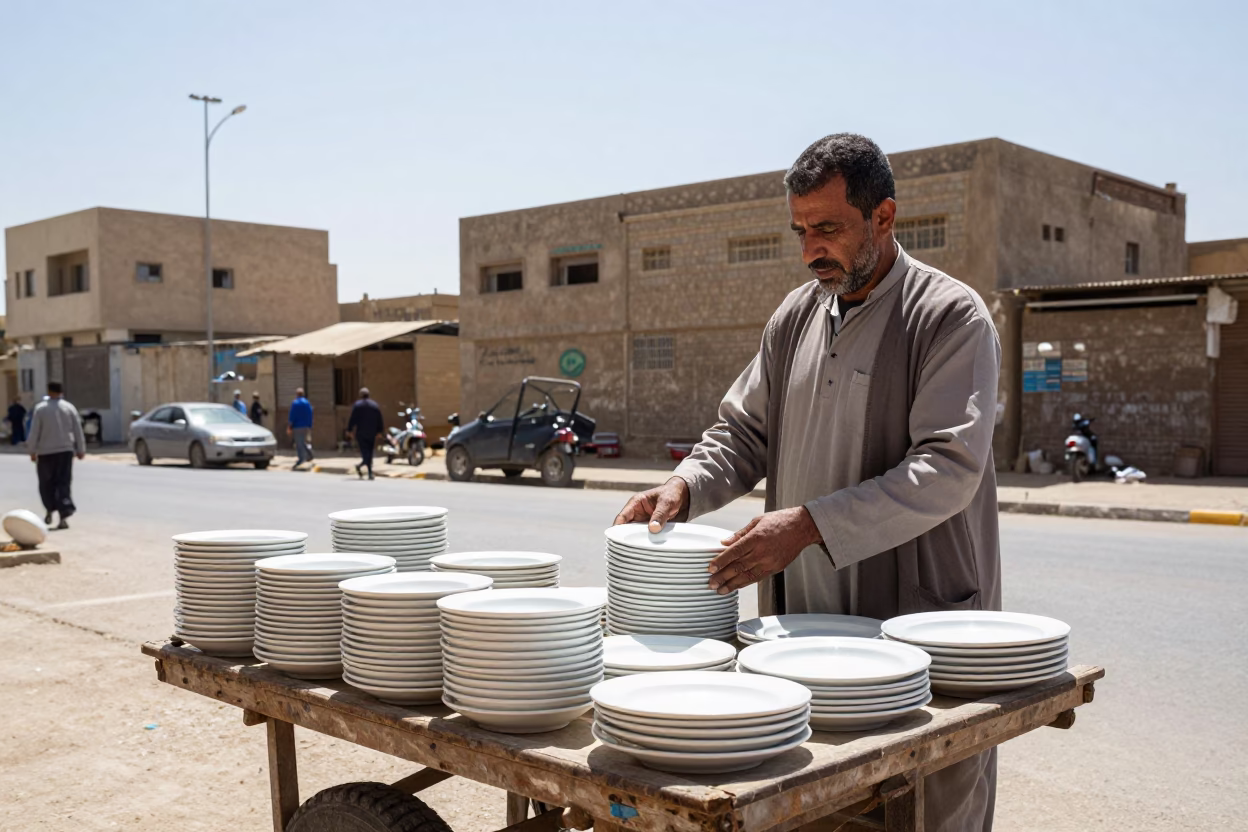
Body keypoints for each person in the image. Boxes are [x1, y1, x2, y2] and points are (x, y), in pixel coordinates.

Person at [614, 134, 1001, 832]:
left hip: (906, 627)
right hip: (800, 632)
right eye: (799, 231)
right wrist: (687, 485)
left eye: (828, 229)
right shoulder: (795, 317)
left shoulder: (948, 317)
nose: (809, 250)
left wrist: (810, 525)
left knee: (920, 806)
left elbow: (947, 469)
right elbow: (743, 433)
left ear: (883, 218)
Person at [26, 381, 86, 529]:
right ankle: (63, 517)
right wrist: (80, 449)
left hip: (46, 453)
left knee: (47, 484)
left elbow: (34, 432)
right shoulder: (69, 408)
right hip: (65, 452)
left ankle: (49, 510)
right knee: (63, 483)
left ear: (49, 391)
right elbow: (77, 429)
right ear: (61, 392)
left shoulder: (41, 409)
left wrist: (32, 451)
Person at [347, 387, 384, 480]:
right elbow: (379, 419)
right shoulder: (374, 405)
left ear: (360, 395)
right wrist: (380, 431)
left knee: (365, 452)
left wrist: (350, 430)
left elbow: (353, 419)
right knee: (369, 452)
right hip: (372, 432)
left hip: (361, 432)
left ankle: (361, 467)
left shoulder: (357, 405)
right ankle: (369, 472)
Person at [287, 387, 315, 470]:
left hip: (297, 426)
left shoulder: (295, 403)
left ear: (296, 394)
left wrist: (289, 426)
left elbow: (292, 416)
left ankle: (301, 459)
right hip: (306, 426)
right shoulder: (307, 403)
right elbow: (310, 414)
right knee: (303, 442)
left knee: (299, 443)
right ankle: (309, 454)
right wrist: (310, 425)